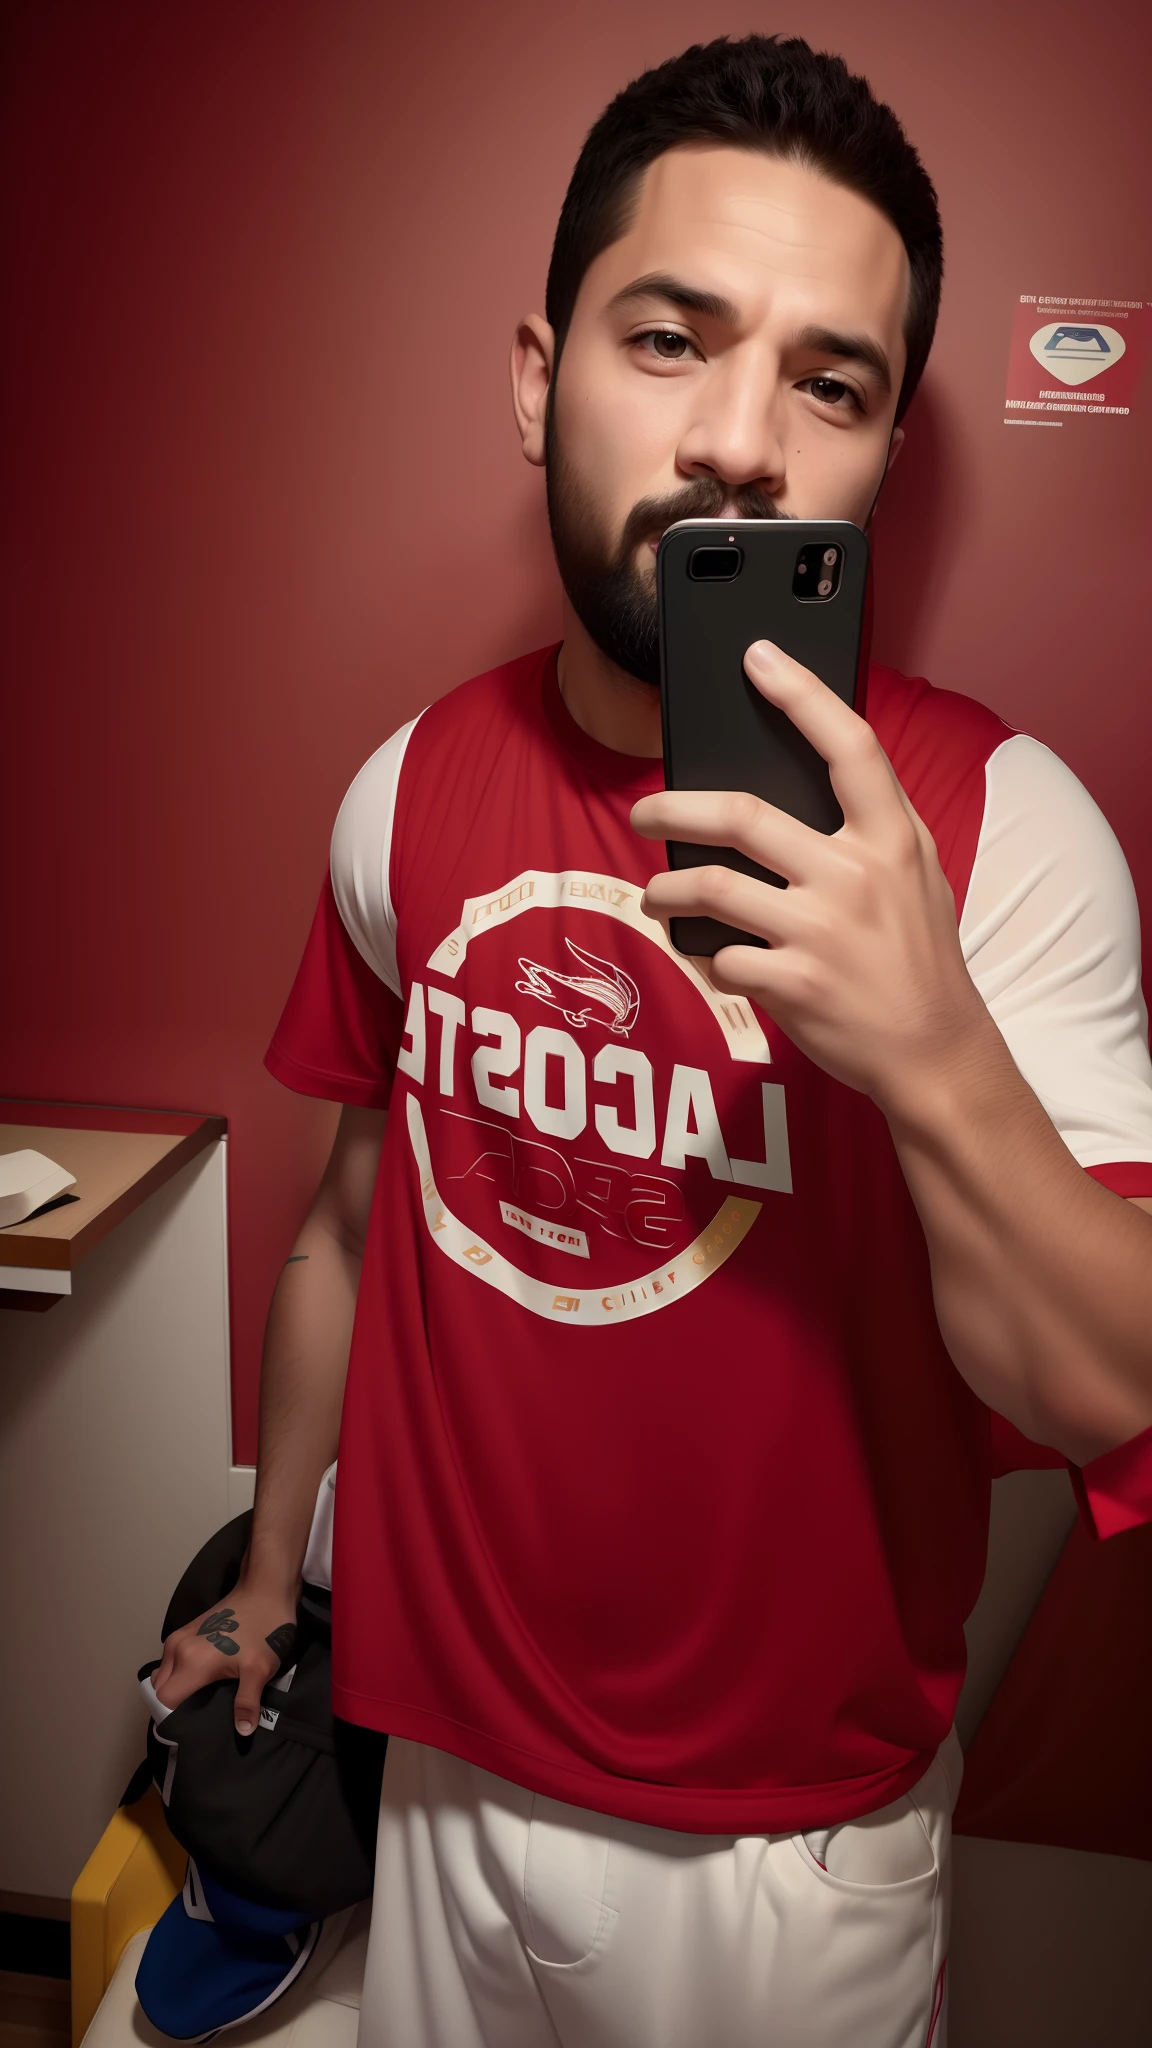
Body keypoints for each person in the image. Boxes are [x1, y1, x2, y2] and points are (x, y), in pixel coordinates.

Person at [153, 34, 1152, 2047]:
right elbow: (354, 1227)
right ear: (541, 377)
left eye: (831, 381)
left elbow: (1111, 1382)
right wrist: (279, 1574)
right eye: (673, 337)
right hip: (435, 1761)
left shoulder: (1002, 831)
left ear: (874, 457)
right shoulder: (402, 792)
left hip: (782, 1854)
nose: (741, 444)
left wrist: (929, 1040)